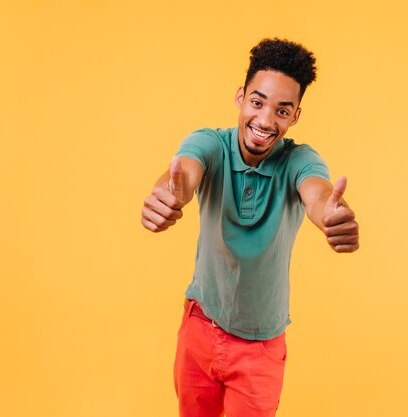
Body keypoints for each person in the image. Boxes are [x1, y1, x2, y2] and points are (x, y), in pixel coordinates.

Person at [141, 38, 359, 417]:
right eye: (257, 102)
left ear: (295, 117)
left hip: (261, 347)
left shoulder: (299, 160)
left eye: (281, 110)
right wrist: (168, 194)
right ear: (241, 97)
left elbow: (317, 194)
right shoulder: (210, 143)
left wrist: (332, 214)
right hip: (200, 326)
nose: (264, 121)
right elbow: (184, 173)